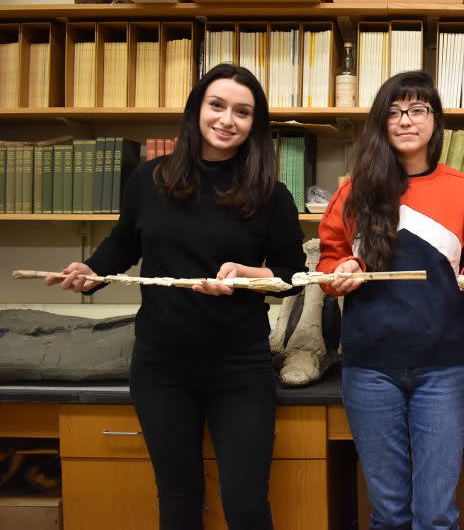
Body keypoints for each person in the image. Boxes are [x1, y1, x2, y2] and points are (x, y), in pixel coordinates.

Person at [46, 63, 306, 530]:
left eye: (242, 112)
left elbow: (294, 274)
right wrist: (92, 272)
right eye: (217, 105)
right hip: (161, 366)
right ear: (196, 111)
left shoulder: (271, 193)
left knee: (247, 504)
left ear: (255, 124)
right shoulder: (151, 179)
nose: (228, 119)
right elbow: (123, 244)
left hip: (240, 367)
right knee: (179, 501)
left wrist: (251, 274)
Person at [317, 70, 464, 529]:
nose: (406, 120)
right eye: (394, 112)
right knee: (389, 512)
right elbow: (327, 264)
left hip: (442, 367)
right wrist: (338, 274)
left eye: (418, 110)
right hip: (369, 368)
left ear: (435, 122)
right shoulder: (353, 192)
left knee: (436, 513)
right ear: (381, 122)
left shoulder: (463, 190)